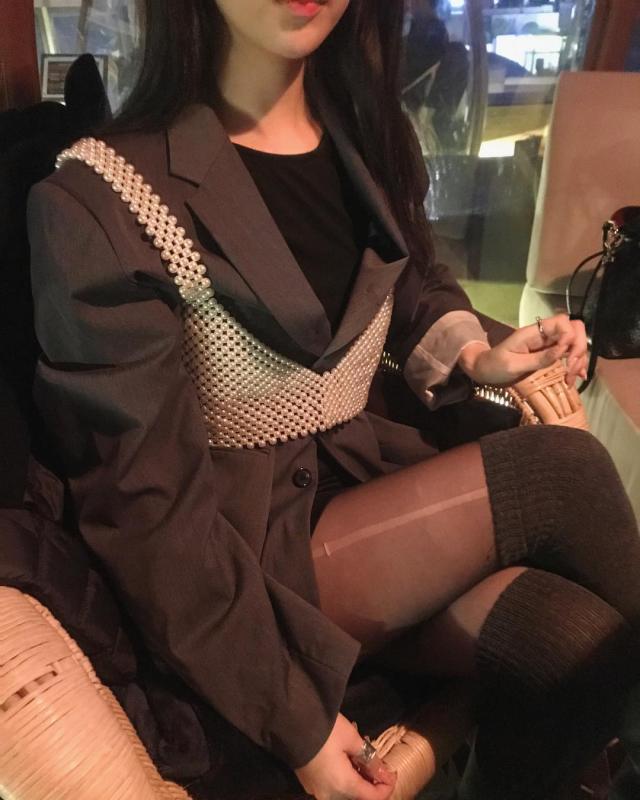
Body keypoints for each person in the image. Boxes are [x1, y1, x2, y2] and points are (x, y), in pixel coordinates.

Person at [27, 2, 640, 799]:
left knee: (573, 644)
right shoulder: (99, 199)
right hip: (246, 548)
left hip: (368, 487)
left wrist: (476, 353)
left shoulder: (362, 135)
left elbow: (410, 278)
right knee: (562, 469)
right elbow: (146, 514)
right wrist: (296, 718)